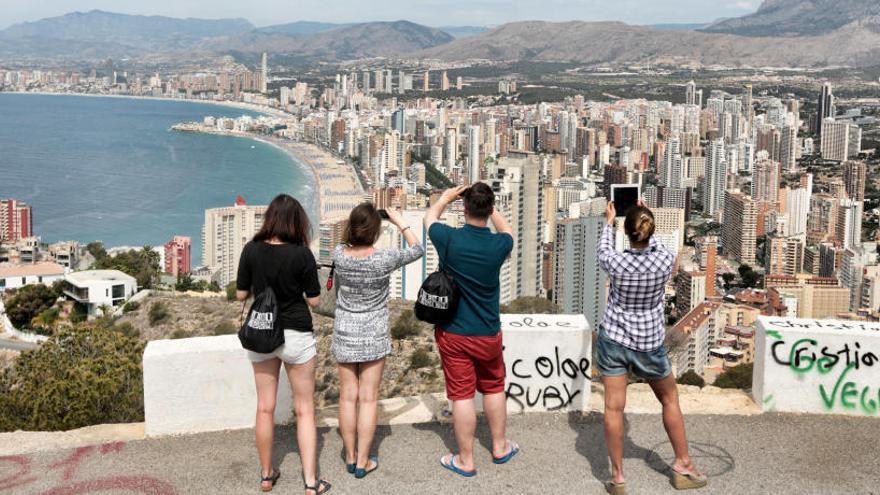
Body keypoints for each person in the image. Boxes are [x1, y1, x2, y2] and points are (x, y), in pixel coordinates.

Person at [596, 200, 707, 494]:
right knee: (670, 400)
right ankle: (683, 464)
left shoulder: (616, 262)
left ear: (627, 232)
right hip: (649, 342)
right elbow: (657, 245)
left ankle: (618, 476)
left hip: (615, 339)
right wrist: (646, 216)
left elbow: (604, 249)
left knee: (613, 408)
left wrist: (610, 221)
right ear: (650, 230)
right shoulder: (664, 260)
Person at [236, 194, 331, 495]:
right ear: (296, 222)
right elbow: (315, 302)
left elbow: (240, 295)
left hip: (262, 331)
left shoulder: (251, 250)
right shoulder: (302, 255)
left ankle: (266, 475)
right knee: (305, 410)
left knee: (265, 408)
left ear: (269, 219)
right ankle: (311, 483)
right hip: (296, 335)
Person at [424, 183, 519, 478]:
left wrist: (446, 198)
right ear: (489, 210)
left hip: (454, 331)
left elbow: (429, 219)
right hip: (488, 331)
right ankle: (500, 446)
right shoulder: (499, 245)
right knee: (493, 387)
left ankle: (466, 460)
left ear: (464, 209)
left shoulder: (449, 240)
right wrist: (491, 209)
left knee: (462, 395)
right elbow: (509, 232)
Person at [332, 203, 424, 478]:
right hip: (373, 333)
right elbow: (418, 250)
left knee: (348, 397)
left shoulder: (339, 254)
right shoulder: (384, 259)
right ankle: (363, 461)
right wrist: (399, 221)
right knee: (369, 399)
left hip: (346, 331)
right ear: (375, 231)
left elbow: (343, 245)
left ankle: (349, 456)